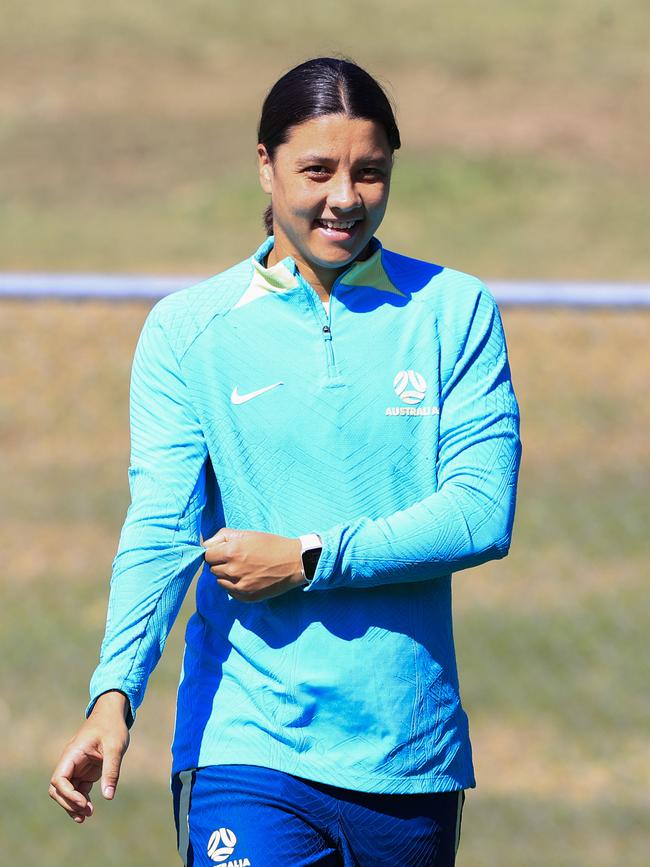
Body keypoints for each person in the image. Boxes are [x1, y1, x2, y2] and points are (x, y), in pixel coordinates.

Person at [49, 57, 521, 866]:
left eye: (370, 172)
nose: (345, 197)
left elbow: (480, 512)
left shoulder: (454, 311)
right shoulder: (189, 330)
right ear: (264, 165)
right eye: (317, 169)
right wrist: (113, 690)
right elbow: (162, 528)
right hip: (246, 744)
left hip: (408, 758)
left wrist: (306, 558)